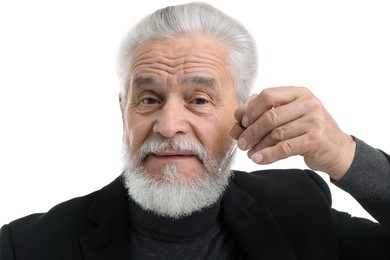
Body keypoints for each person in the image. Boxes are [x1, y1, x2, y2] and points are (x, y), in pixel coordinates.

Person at [1, 2, 389, 259]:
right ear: (124, 114)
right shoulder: (28, 246)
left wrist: (347, 158)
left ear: (245, 113)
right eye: (149, 99)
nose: (169, 126)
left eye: (199, 100)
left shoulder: (299, 210)